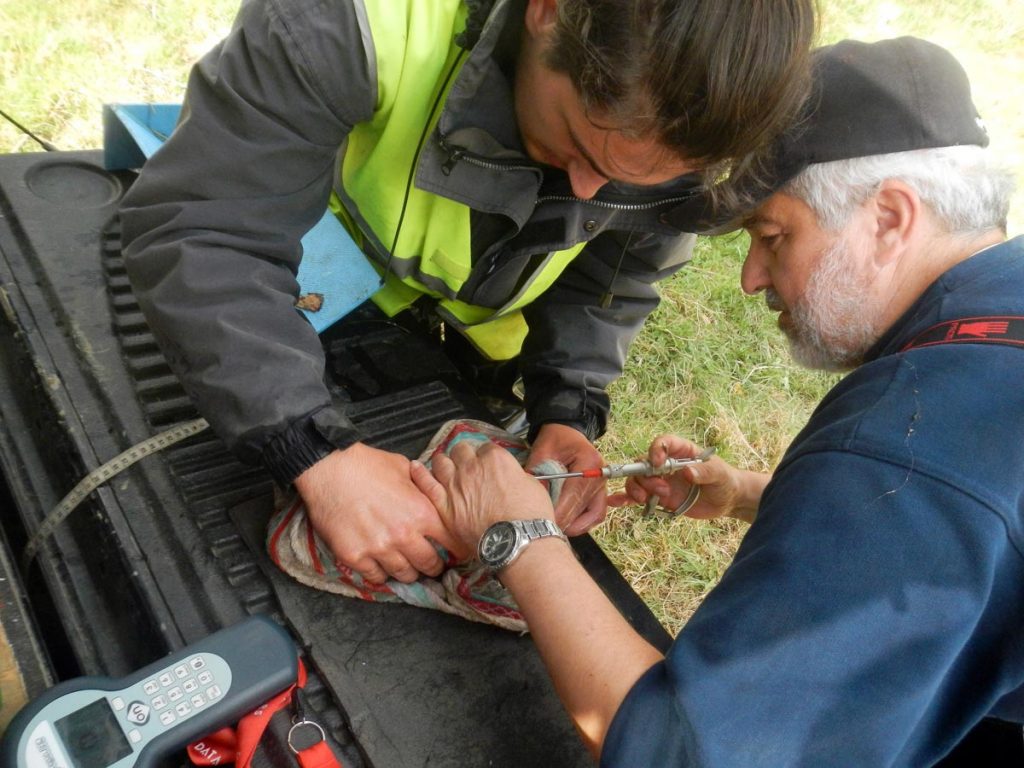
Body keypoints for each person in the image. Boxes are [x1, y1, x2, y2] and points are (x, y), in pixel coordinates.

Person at [410, 36, 1024, 765]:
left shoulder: (904, 449)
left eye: (772, 236)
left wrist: (517, 536)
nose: (751, 280)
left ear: (890, 220)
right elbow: (968, 536)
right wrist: (752, 496)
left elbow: (682, 753)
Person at [117, 0, 816, 585]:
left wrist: (567, 406)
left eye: (629, 183)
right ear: (548, 12)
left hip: (460, 353)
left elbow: (616, 272)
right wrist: (315, 454)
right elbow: (207, 229)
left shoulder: (697, 118)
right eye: (577, 146)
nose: (586, 193)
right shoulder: (356, 20)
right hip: (282, 302)